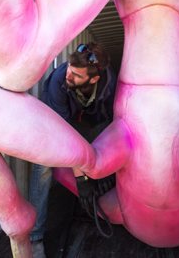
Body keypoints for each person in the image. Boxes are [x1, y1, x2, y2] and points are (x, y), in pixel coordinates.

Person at [28, 42, 117, 257]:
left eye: (77, 75)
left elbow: (110, 124)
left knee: (101, 147)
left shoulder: (107, 84)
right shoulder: (59, 81)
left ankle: (97, 205)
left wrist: (95, 172)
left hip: (88, 119)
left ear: (94, 79)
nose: (69, 74)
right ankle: (35, 238)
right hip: (56, 122)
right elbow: (65, 137)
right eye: (69, 67)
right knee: (43, 169)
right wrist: (81, 180)